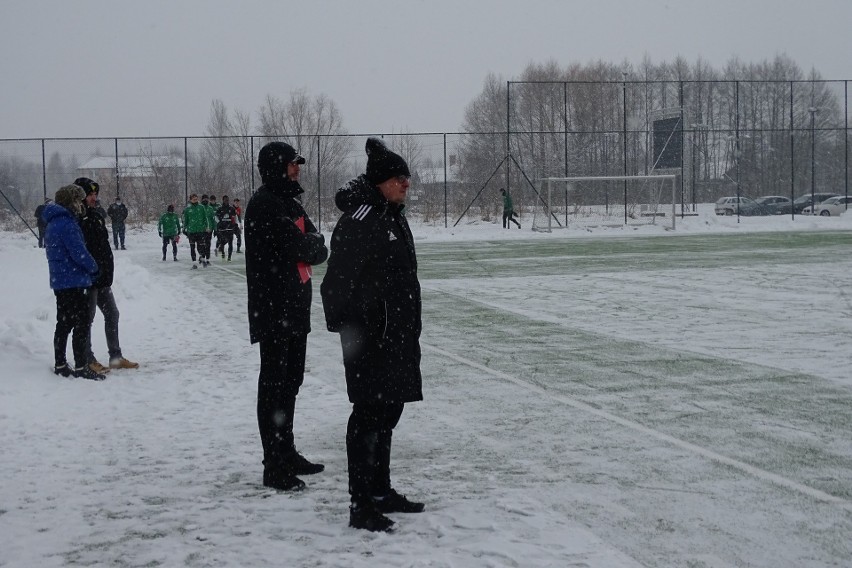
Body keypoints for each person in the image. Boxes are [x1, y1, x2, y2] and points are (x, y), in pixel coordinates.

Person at [321, 137, 425, 533]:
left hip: (398, 336)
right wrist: (354, 330)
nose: (406, 184)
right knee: (368, 417)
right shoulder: (361, 221)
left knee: (389, 412)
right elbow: (335, 285)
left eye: (407, 177)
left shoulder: (393, 215)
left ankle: (381, 491)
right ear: (381, 181)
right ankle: (360, 503)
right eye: (399, 178)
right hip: (369, 341)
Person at [245, 141, 328, 492]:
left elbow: (318, 244)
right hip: (274, 310)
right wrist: (310, 244)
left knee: (291, 383)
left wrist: (312, 243)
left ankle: (286, 451)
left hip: (294, 309)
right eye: (293, 164)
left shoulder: (289, 201)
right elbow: (304, 245)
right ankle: (273, 465)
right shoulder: (264, 205)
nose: (297, 169)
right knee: (274, 386)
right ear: (276, 167)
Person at [75, 177, 139, 372]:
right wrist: (90, 269)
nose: (94, 198)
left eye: (95, 194)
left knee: (112, 313)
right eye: (90, 194)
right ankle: (87, 358)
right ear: (81, 196)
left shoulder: (96, 214)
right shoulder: (76, 217)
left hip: (102, 277)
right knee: (88, 318)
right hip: (88, 278)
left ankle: (116, 356)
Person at [42, 184, 104, 380]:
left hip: (60, 281)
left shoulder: (53, 222)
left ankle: (60, 363)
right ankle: (81, 367)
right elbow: (79, 253)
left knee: (64, 323)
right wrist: (94, 267)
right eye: (79, 200)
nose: (81, 204)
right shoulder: (68, 224)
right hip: (74, 281)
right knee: (82, 323)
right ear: (72, 202)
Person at [182, 193, 210, 268]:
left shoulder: (201, 207)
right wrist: (184, 228)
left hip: (200, 230)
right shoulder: (188, 209)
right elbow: (186, 220)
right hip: (191, 231)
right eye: (194, 199)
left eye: (196, 199)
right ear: (191, 200)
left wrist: (207, 227)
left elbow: (205, 218)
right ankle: (194, 263)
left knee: (200, 246)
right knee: (192, 247)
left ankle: (201, 257)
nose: (195, 200)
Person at [215, 195, 237, 261]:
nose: (226, 201)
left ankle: (229, 257)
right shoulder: (220, 209)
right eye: (225, 200)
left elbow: (234, 217)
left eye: (227, 200)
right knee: (222, 242)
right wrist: (219, 223)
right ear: (223, 200)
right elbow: (216, 217)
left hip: (230, 228)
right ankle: (223, 253)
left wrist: (235, 225)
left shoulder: (231, 208)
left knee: (230, 243)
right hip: (222, 229)